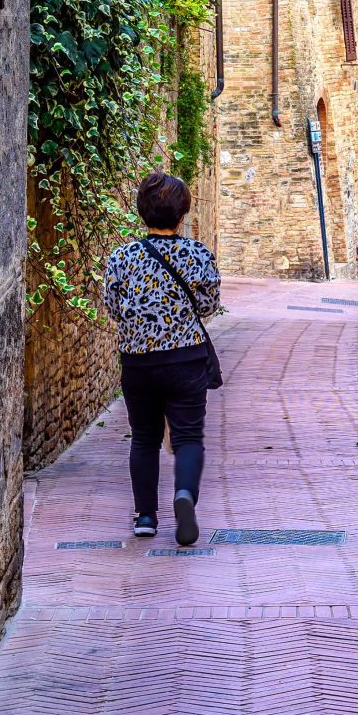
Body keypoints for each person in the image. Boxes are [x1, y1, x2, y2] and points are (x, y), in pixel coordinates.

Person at [101, 172, 222, 547]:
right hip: (185, 359)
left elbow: (114, 306)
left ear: (142, 212)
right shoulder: (198, 254)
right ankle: (184, 495)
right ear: (182, 214)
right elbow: (208, 304)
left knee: (144, 438)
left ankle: (146, 516)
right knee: (187, 437)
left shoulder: (123, 257)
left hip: (138, 363)